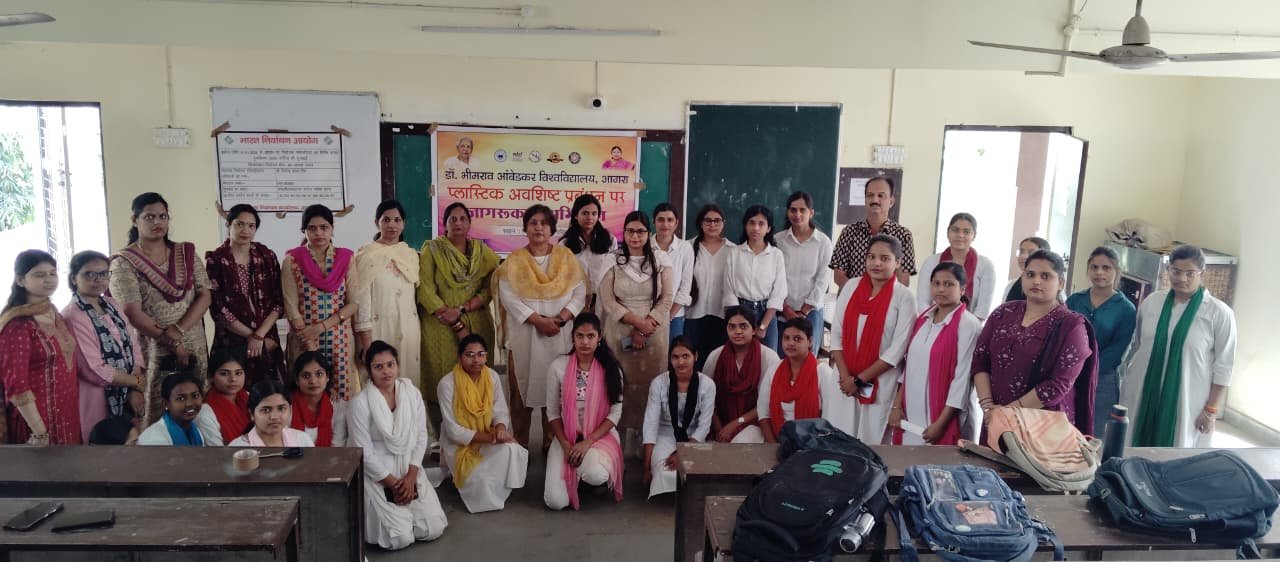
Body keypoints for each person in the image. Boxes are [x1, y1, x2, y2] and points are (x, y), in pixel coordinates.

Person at [110, 192, 212, 424]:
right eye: (149, 217)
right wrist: (173, 342)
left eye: (162, 216)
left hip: (192, 342)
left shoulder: (186, 253)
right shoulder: (124, 262)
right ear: (135, 220)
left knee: (196, 405)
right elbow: (132, 312)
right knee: (158, 407)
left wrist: (179, 330)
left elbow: (205, 295)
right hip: (154, 347)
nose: (157, 222)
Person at [1122, 245, 1237, 448]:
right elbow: (1138, 345)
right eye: (1176, 271)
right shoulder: (1152, 303)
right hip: (1143, 392)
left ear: (1202, 274)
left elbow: (1224, 367)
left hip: (1188, 399)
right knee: (1132, 446)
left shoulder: (1218, 313)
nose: (1182, 278)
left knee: (1178, 449)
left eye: (1190, 273)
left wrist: (1210, 410)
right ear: (1168, 270)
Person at [974, 250, 1099, 437]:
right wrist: (988, 408)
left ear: (1061, 283)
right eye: (1030, 274)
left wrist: (1007, 413)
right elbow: (980, 360)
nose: (1036, 281)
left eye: (1046, 276)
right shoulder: (1003, 313)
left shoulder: (1072, 326)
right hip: (996, 422)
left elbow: (1058, 385)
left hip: (1041, 428)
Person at [495, 204, 586, 448]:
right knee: (519, 394)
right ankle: (520, 444)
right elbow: (508, 297)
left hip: (559, 335)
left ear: (552, 229)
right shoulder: (514, 261)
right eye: (533, 223)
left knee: (555, 391)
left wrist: (561, 319)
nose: (538, 228)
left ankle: (552, 442)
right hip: (525, 336)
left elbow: (579, 292)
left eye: (544, 223)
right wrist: (538, 321)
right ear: (525, 228)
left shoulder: (566, 258)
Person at [348, 340, 448, 550]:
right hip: (377, 472)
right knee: (399, 539)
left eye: (390, 364)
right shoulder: (360, 403)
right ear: (369, 370)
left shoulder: (412, 394)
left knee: (432, 528)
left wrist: (412, 476)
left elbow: (421, 437)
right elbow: (362, 450)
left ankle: (411, 502)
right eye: (378, 367)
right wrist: (393, 483)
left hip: (409, 466)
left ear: (398, 365)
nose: (386, 371)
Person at [419, 202, 499, 438]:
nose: (458, 223)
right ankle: (440, 437)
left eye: (462, 218)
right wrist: (450, 316)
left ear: (469, 223)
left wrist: (464, 308)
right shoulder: (432, 250)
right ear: (444, 224)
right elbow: (424, 289)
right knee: (441, 377)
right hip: (440, 325)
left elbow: (493, 284)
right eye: (452, 219)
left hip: (476, 321)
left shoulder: (482, 253)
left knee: (477, 374)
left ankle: (478, 430)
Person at [828, 234, 917, 443]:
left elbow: (897, 349)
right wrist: (846, 377)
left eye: (885, 258)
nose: (876, 263)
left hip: (880, 381)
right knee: (839, 438)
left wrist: (860, 380)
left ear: (898, 262)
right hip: (843, 380)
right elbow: (836, 333)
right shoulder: (851, 286)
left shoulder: (904, 297)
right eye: (871, 257)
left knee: (871, 442)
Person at [598, 210, 674, 443]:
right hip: (619, 330)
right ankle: (616, 437)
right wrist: (635, 322)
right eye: (630, 231)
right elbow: (607, 300)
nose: (635, 236)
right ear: (624, 233)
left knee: (651, 385)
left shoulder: (661, 260)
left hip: (654, 332)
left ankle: (647, 439)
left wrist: (644, 326)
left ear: (648, 233)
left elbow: (667, 297)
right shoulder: (612, 260)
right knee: (620, 383)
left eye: (640, 231)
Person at [890, 263, 982, 445]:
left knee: (937, 468)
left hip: (942, 415)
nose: (941, 289)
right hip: (911, 413)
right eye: (936, 283)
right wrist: (896, 406)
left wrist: (941, 423)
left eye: (948, 284)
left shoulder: (968, 324)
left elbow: (961, 380)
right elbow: (908, 368)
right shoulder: (923, 318)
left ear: (962, 289)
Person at [436, 334, 528, 513]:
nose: (476, 360)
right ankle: (479, 480)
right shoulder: (447, 384)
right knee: (482, 485)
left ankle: (494, 481)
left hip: (488, 436)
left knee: (513, 450)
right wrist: (490, 437)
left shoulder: (492, 376)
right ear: (460, 357)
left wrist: (500, 429)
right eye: (469, 355)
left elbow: (500, 410)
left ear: (486, 356)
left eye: (481, 354)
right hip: (460, 445)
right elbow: (453, 430)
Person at [544, 313, 625, 510]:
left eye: (590, 336)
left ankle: (588, 478)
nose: (585, 342)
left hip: (598, 436)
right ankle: (576, 475)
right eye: (580, 336)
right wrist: (565, 445)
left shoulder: (612, 369)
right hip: (567, 436)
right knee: (555, 502)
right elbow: (553, 413)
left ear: (599, 337)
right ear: (572, 337)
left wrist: (587, 442)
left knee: (597, 474)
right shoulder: (558, 367)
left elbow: (614, 414)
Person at [63, 250, 144, 443]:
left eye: (104, 273)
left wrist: (136, 388)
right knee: (103, 450)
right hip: (96, 396)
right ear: (74, 278)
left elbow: (133, 345)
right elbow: (93, 369)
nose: (99, 279)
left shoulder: (112, 304)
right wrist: (137, 382)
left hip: (127, 391)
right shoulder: (72, 316)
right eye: (90, 274)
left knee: (130, 443)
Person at [0, 250, 80, 445]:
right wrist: (39, 432)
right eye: (39, 274)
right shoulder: (17, 325)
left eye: (52, 273)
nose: (49, 279)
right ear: (20, 280)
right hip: (38, 422)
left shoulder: (52, 311)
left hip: (67, 414)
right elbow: (17, 385)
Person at [282, 204, 360, 401]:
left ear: (332, 229)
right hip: (303, 337)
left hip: (339, 338)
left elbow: (353, 303)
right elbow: (290, 305)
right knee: (307, 391)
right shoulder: (292, 259)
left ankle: (340, 432)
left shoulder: (346, 258)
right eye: (312, 228)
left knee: (340, 393)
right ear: (304, 231)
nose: (319, 233)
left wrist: (322, 327)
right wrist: (309, 340)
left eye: (324, 227)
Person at [204, 204, 286, 386]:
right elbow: (217, 308)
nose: (245, 230)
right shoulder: (215, 259)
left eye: (251, 226)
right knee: (234, 393)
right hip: (231, 341)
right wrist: (253, 337)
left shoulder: (267, 256)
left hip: (267, 339)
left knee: (270, 395)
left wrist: (260, 337)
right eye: (239, 224)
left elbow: (278, 301)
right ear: (228, 225)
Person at [1066, 246, 1137, 436]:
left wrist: (1087, 368)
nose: (1099, 272)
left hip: (1102, 381)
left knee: (1093, 435)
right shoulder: (1075, 300)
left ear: (1117, 272)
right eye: (1094, 267)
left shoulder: (1126, 309)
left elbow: (1118, 350)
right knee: (1065, 431)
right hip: (1068, 376)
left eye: (1106, 268)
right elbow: (1062, 335)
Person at [353, 200, 422, 392]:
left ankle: (407, 422)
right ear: (377, 223)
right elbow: (361, 301)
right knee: (377, 383)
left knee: (407, 384)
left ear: (403, 223)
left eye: (397, 220)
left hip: (409, 331)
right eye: (386, 220)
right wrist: (367, 343)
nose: (392, 225)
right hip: (378, 330)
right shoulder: (366, 255)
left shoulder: (410, 254)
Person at [643, 336, 715, 498]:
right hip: (665, 435)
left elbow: (704, 426)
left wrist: (682, 453)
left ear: (695, 357)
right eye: (675, 357)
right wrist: (646, 468)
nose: (681, 362)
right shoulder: (659, 383)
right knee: (665, 473)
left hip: (694, 437)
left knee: (691, 471)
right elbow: (650, 424)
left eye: (685, 356)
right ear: (670, 359)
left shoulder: (707, 384)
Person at [704, 307, 780, 444]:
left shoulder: (769, 357)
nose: (737, 331)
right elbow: (707, 399)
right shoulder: (715, 356)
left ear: (754, 330)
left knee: (741, 442)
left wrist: (736, 424)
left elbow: (768, 403)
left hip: (757, 423)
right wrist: (719, 429)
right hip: (720, 424)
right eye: (732, 327)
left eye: (743, 326)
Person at [758, 317, 840, 442]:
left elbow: (829, 420)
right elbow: (763, 414)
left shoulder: (824, 373)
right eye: (786, 338)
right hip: (777, 441)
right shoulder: (773, 370)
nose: (791, 343)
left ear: (810, 341)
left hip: (814, 444)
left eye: (797, 339)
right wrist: (773, 446)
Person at [829, 177, 917, 289]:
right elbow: (839, 276)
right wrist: (862, 296)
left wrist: (879, 299)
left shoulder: (903, 235)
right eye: (870, 195)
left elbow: (903, 280)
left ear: (891, 201)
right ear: (865, 200)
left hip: (887, 304)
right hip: (853, 301)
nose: (875, 200)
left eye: (881, 195)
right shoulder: (849, 232)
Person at [722, 205, 788, 351]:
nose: (756, 228)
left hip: (767, 315)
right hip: (739, 313)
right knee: (739, 358)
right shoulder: (735, 253)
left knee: (768, 362)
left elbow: (778, 293)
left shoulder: (776, 255)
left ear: (769, 228)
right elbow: (729, 291)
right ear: (745, 225)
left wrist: (763, 325)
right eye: (751, 223)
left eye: (761, 224)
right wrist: (740, 323)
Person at [776, 191, 834, 355]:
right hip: (782, 313)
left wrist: (803, 312)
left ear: (811, 212)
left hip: (811, 313)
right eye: (793, 210)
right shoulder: (778, 241)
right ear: (787, 212)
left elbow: (823, 280)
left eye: (803, 210)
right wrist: (786, 309)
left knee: (807, 363)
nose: (797, 214)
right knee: (781, 361)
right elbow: (773, 279)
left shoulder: (823, 243)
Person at [916, 213, 998, 319]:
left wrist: (966, 327)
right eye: (955, 230)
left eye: (966, 232)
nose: (960, 235)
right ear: (948, 233)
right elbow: (923, 302)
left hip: (970, 327)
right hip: (933, 324)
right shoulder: (931, 261)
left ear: (974, 235)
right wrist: (936, 324)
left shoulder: (985, 265)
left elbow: (983, 309)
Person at [685, 204, 734, 371]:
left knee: (716, 366)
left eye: (717, 221)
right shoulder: (688, 247)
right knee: (693, 364)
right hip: (692, 315)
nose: (712, 225)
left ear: (723, 223)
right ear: (700, 223)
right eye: (708, 220)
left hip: (721, 316)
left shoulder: (733, 250)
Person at [561, 193, 616, 310]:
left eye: (594, 213)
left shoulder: (610, 240)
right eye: (585, 213)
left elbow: (615, 271)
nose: (590, 217)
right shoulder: (565, 244)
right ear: (576, 215)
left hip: (603, 299)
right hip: (573, 301)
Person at [137, 372, 222, 446]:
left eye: (195, 396)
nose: (189, 403)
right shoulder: (155, 438)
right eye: (181, 398)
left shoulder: (194, 430)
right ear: (166, 403)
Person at [652, 203, 694, 343]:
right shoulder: (645, 246)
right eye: (660, 219)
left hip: (674, 316)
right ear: (654, 222)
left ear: (676, 223)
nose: (665, 224)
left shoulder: (685, 248)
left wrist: (667, 316)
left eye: (670, 220)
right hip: (646, 315)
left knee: (672, 357)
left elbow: (685, 287)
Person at [229, 380, 315, 447]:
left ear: (290, 410)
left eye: (281, 408)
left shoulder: (302, 440)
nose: (274, 417)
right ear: (252, 414)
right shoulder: (238, 448)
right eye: (266, 410)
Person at [289, 351, 346, 447]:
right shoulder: (286, 407)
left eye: (319, 374)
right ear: (297, 380)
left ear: (327, 377)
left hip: (330, 460)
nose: (313, 381)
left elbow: (337, 447)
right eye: (306, 376)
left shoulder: (339, 407)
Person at [202, 348, 251, 444]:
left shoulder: (251, 398)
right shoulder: (206, 412)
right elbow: (217, 452)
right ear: (210, 377)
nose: (233, 379)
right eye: (224, 374)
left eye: (238, 373)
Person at [1003, 236, 1051, 303]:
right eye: (1021, 252)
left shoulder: (1052, 288)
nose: (1023, 256)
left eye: (1031, 253)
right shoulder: (1011, 285)